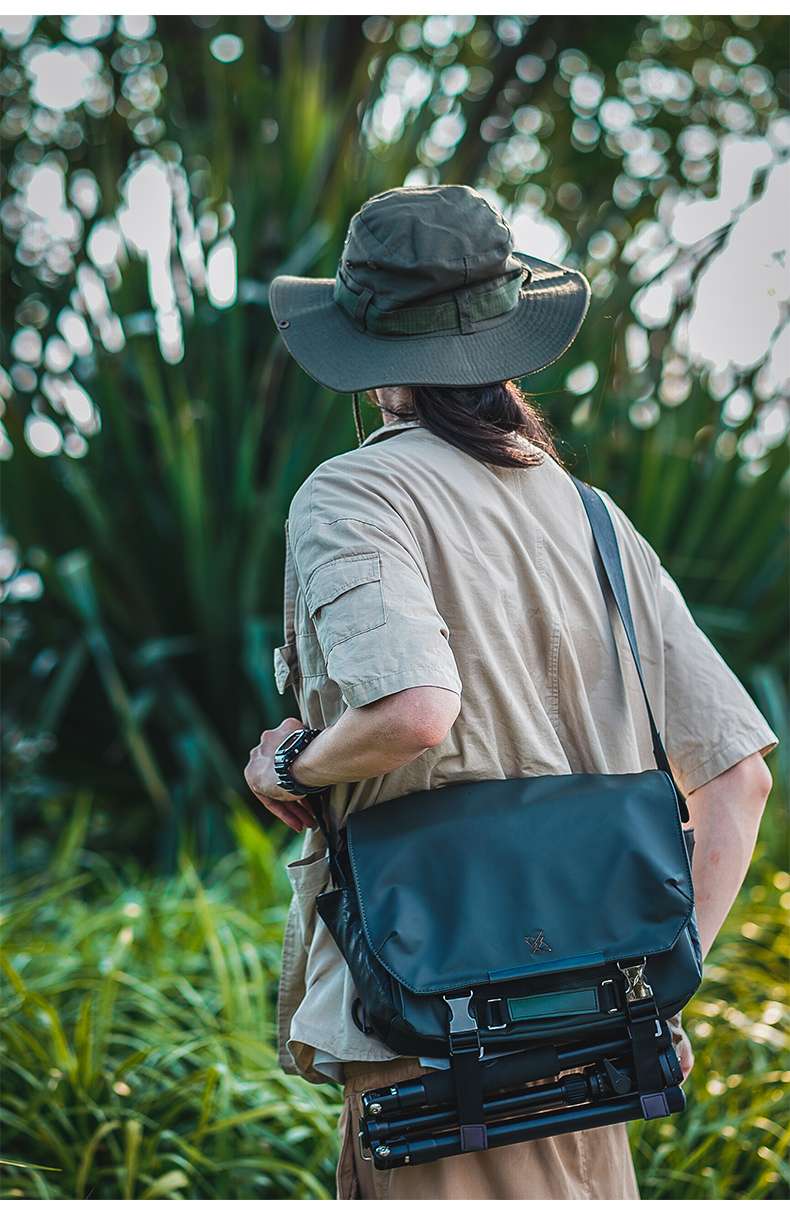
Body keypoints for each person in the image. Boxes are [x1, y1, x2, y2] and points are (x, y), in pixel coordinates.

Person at [244, 185, 777, 1201]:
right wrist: (660, 987)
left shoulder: (357, 493)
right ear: (503, 326)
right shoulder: (589, 514)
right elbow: (736, 780)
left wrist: (286, 765)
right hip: (603, 1042)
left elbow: (413, 712)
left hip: (439, 1047)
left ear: (362, 344)